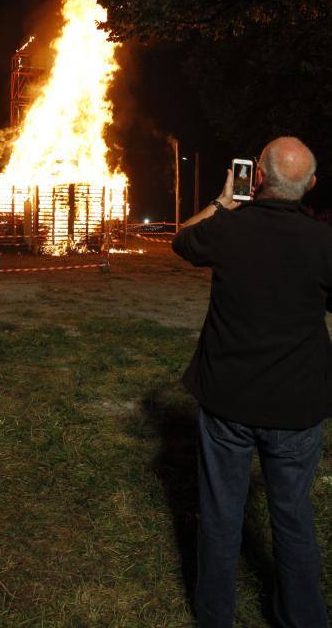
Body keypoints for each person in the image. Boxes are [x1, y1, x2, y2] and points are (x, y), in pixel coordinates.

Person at [172, 137, 331, 627]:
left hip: (228, 403)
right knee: (292, 519)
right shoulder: (325, 243)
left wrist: (222, 201)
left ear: (255, 178)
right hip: (295, 407)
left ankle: (215, 618)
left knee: (221, 518)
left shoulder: (229, 228)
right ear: (310, 186)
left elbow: (183, 238)